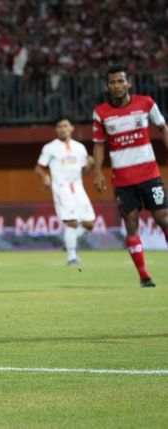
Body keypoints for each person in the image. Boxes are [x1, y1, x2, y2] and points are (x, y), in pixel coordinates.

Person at [92, 64, 168, 288]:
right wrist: (97, 172)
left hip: (150, 174)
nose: (116, 86)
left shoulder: (146, 103)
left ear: (128, 83)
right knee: (131, 224)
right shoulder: (101, 112)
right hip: (123, 181)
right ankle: (144, 275)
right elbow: (98, 145)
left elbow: (163, 127)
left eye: (120, 81)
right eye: (112, 82)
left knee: (163, 217)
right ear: (107, 86)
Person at [35, 118, 96, 267]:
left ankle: (70, 242)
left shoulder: (80, 148)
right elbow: (38, 167)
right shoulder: (50, 147)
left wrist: (91, 165)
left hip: (78, 187)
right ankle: (72, 257)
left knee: (89, 223)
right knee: (72, 222)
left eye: (65, 126)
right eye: (59, 126)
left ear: (71, 128)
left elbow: (84, 172)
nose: (62, 129)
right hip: (61, 187)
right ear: (56, 130)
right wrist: (45, 177)